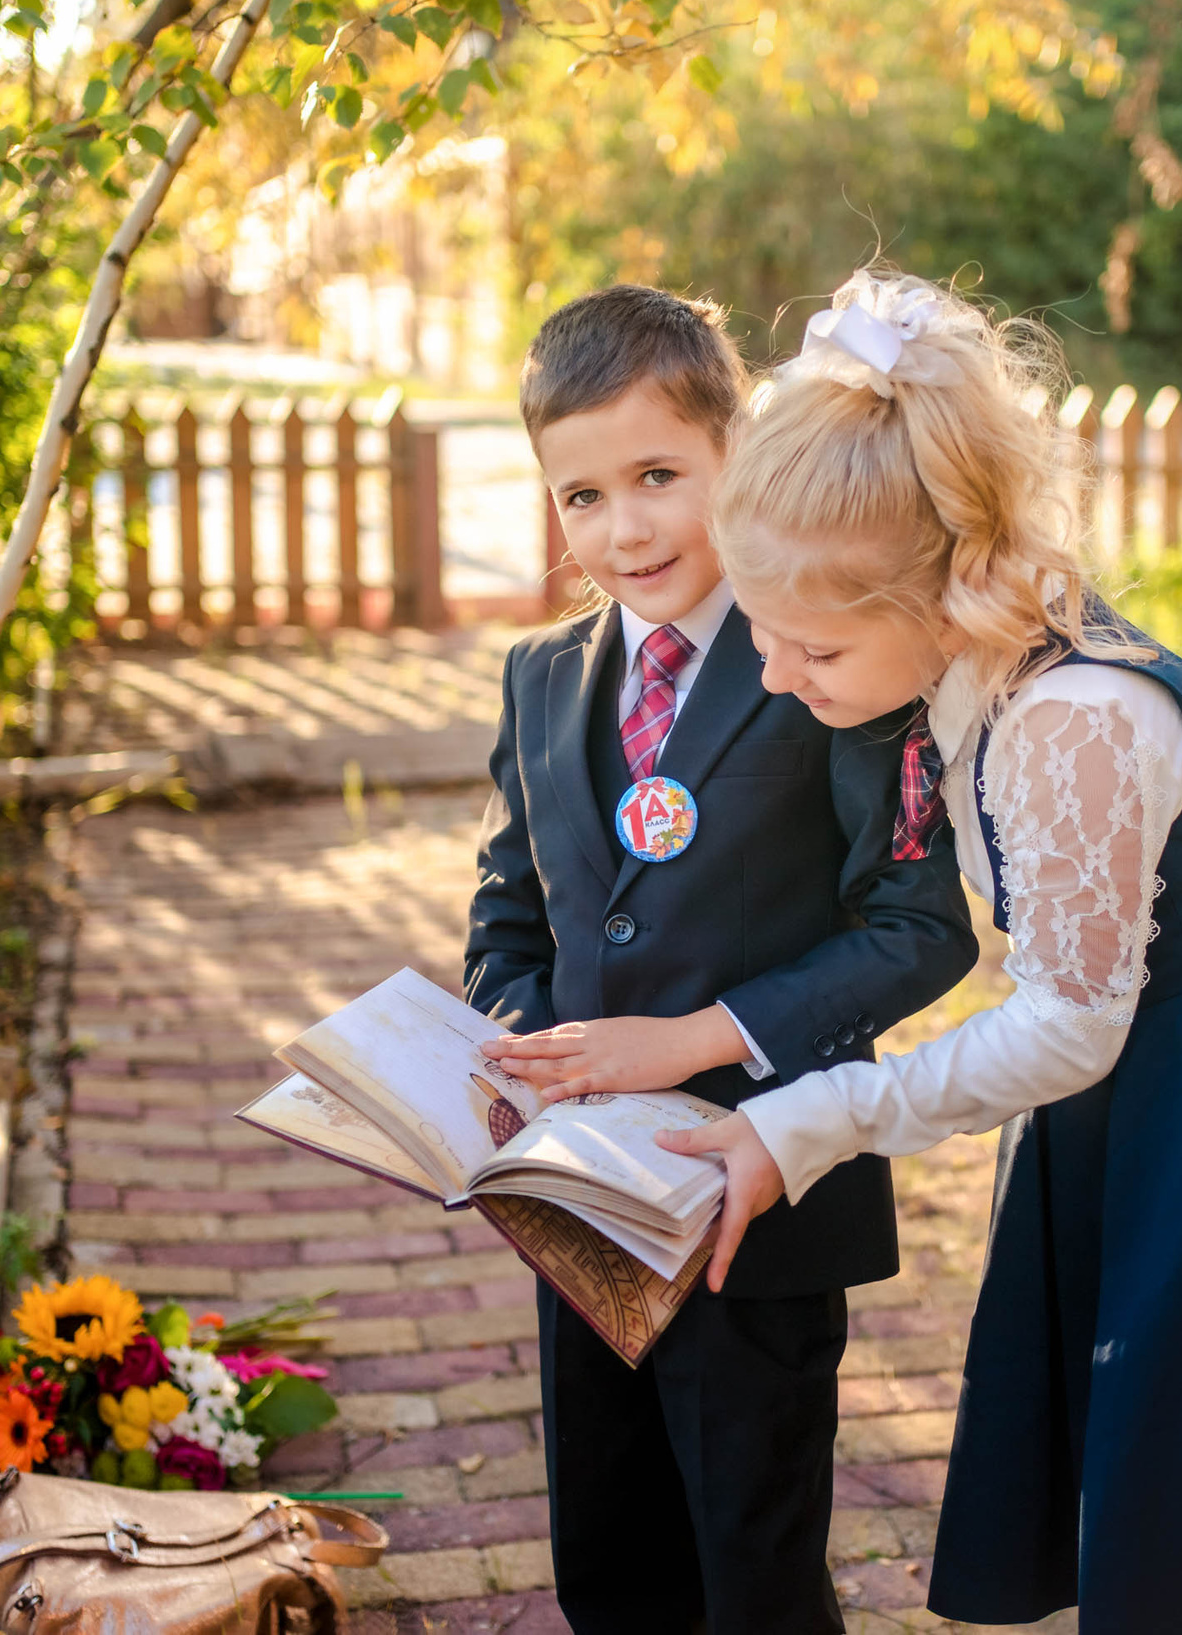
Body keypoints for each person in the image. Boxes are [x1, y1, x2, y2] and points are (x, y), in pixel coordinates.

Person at [526, 270, 1182, 1633]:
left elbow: (1068, 1020)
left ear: (941, 586)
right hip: (1125, 1085)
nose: (772, 675)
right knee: (1138, 1459)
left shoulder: (1070, 721)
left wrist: (811, 1121)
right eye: (760, 632)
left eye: (810, 644)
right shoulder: (969, 665)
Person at [463, 284, 981, 1635]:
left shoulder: (828, 659)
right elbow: (511, 907)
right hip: (579, 1205)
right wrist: (523, 1043)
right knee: (610, 1556)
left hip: (763, 1205)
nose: (623, 527)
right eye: (580, 496)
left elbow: (921, 925)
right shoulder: (539, 678)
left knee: (751, 1569)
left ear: (734, 457)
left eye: (656, 477)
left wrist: (694, 1041)